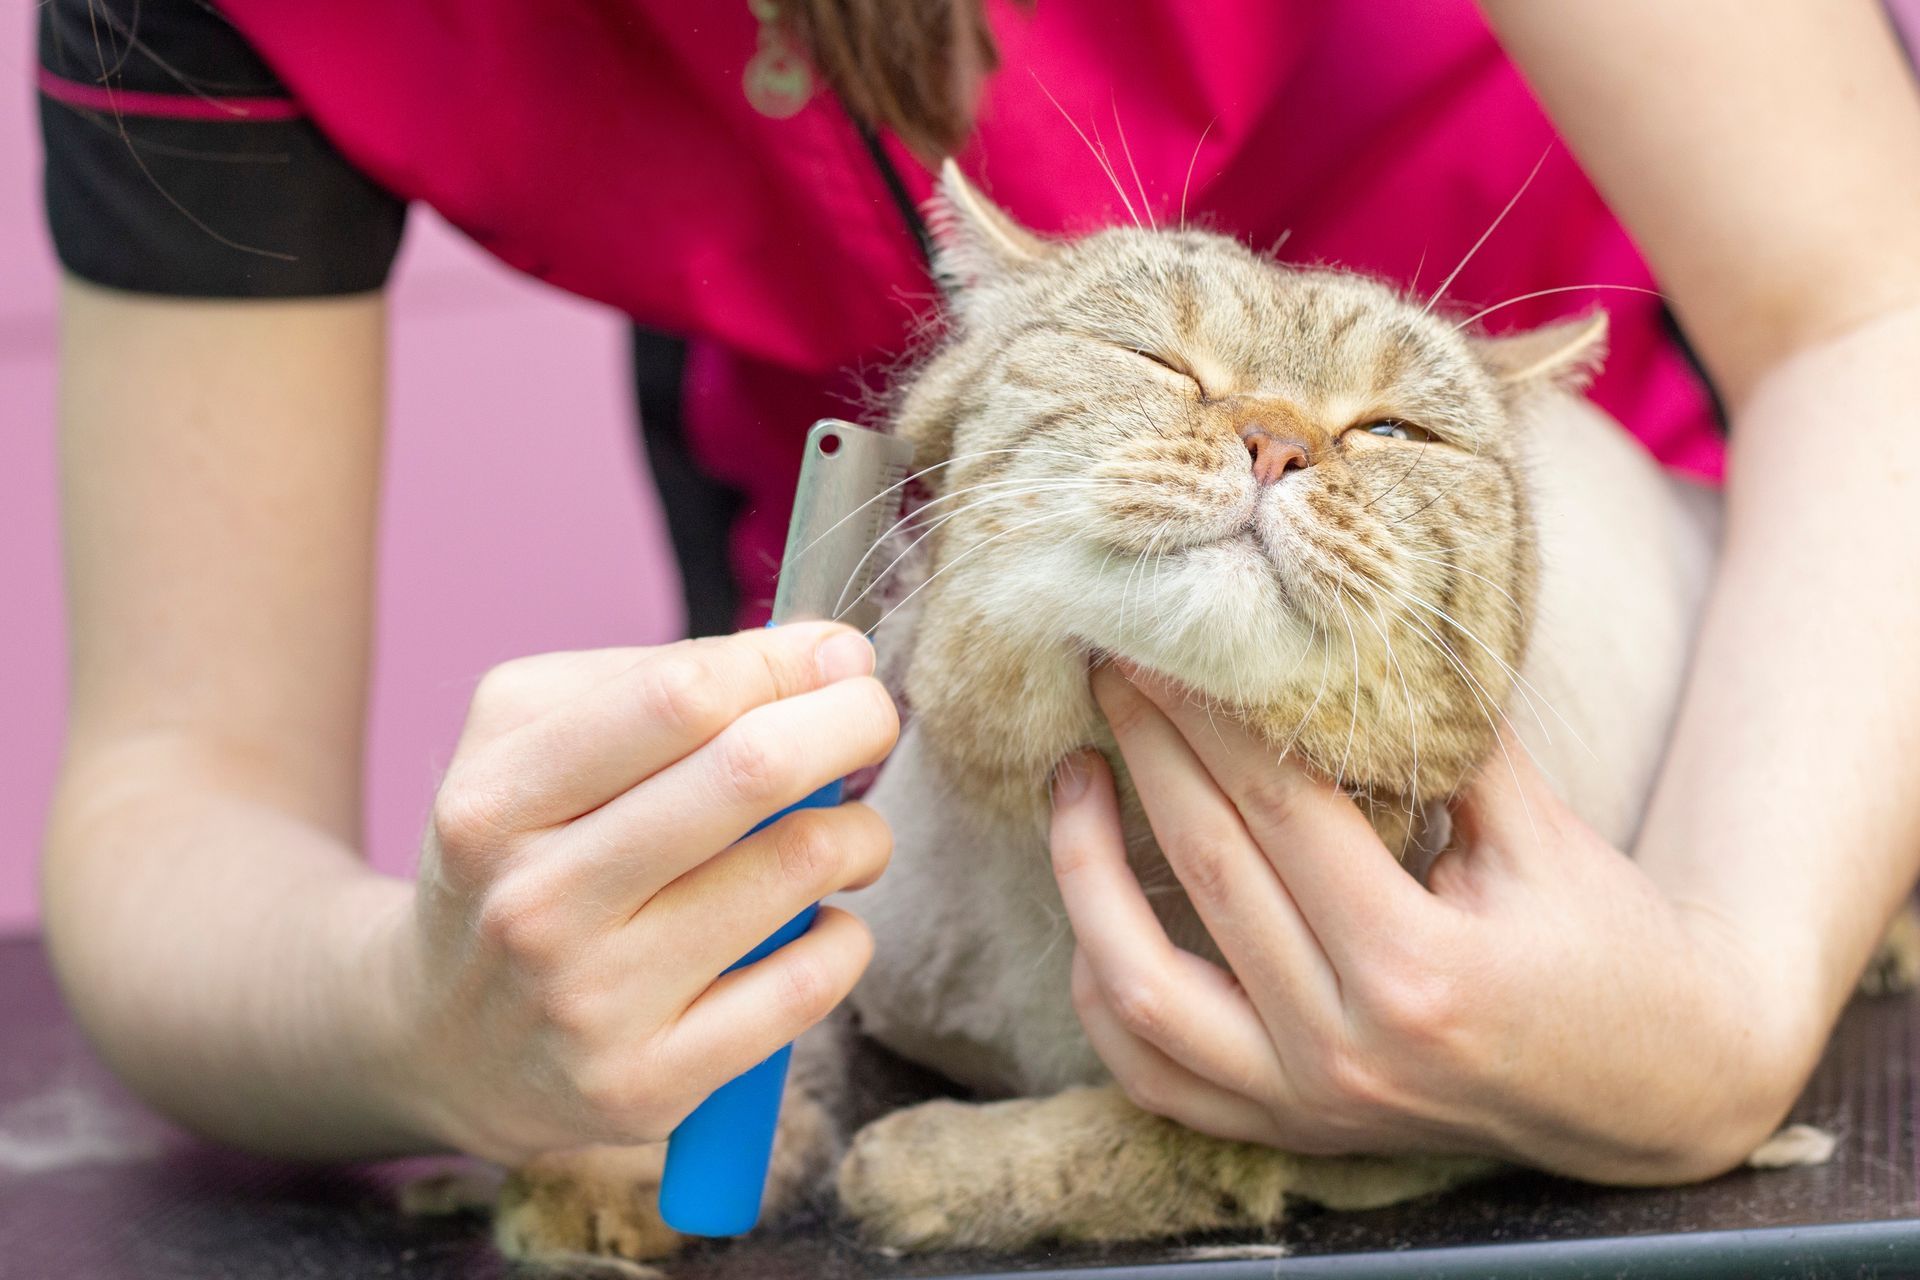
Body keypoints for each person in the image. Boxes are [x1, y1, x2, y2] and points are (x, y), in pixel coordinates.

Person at [35, 0, 1920, 1184]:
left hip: (1667, 622)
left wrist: (1722, 1008)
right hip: (924, 558)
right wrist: (412, 1017)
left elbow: (1871, 312)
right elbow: (171, 795)